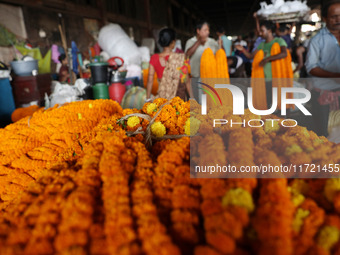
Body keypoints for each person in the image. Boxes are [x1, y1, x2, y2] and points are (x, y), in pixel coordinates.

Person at [146, 28, 193, 101]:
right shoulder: (180, 58)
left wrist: (147, 98)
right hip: (178, 100)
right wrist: (193, 99)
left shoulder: (154, 58)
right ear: (173, 42)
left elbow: (150, 80)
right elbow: (186, 80)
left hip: (162, 99)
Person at [305, 0, 340, 78]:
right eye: (334, 17)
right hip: (327, 89)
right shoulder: (316, 40)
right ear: (325, 18)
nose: (338, 20)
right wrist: (334, 76)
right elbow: (311, 68)